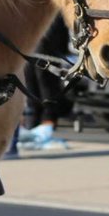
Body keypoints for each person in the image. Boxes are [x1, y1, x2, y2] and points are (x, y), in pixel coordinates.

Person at [19, 14, 72, 151]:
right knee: (29, 79)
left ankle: (47, 125)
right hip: (31, 33)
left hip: (50, 36)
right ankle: (32, 126)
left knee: (46, 82)